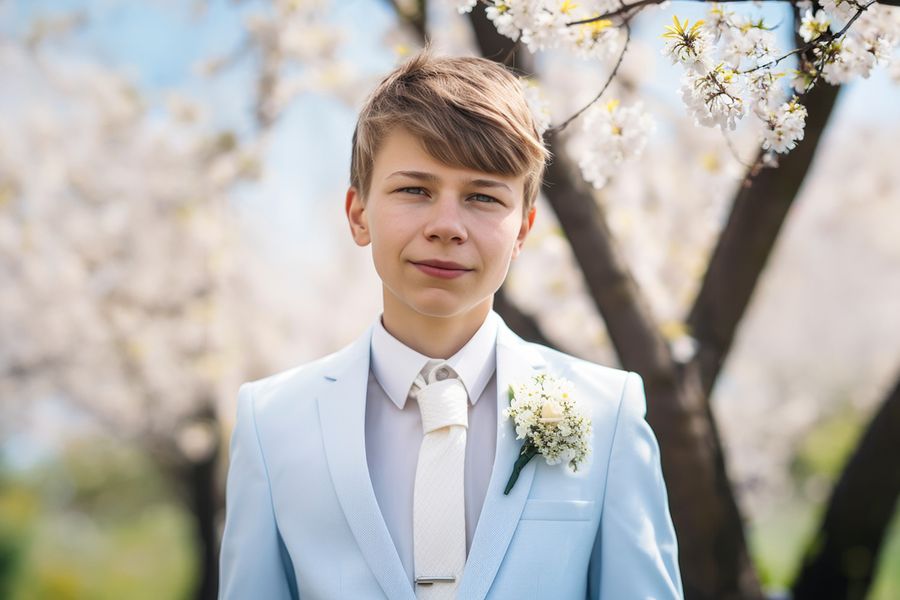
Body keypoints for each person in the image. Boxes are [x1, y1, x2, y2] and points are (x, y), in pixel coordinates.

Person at [218, 47, 683, 600]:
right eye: (414, 190)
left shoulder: (607, 412)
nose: (447, 226)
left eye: (482, 197)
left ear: (523, 231)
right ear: (359, 214)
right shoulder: (272, 422)